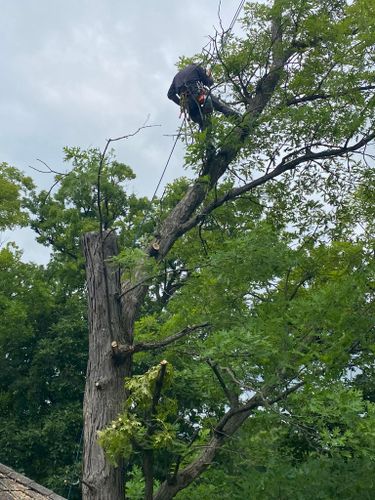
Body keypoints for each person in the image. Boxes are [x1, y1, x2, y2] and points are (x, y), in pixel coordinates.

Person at [167, 63, 239, 130]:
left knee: (202, 122)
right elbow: (208, 82)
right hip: (198, 93)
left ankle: (208, 141)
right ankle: (240, 122)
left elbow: (170, 94)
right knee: (220, 107)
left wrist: (183, 104)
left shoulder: (176, 77)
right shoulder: (196, 67)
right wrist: (208, 74)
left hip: (188, 102)